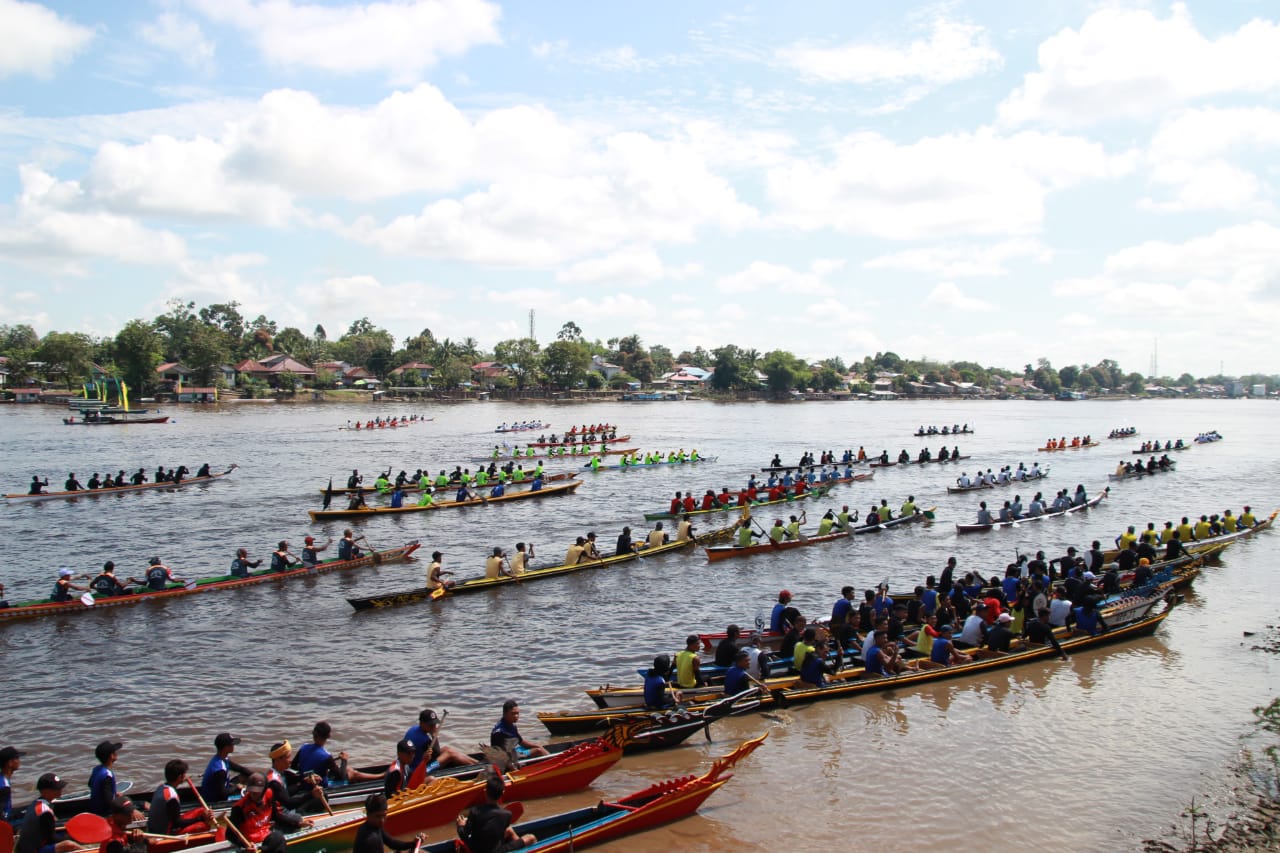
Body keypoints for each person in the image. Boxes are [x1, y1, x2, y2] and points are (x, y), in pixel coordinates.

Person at [229, 772, 310, 853]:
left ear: (264, 790)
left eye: (257, 792)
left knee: (282, 833)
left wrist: (298, 824)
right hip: (251, 844)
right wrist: (245, 846)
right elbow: (230, 835)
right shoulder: (239, 808)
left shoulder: (269, 795)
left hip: (266, 838)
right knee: (278, 837)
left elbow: (276, 816)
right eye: (251, 791)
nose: (253, 794)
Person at [456, 775, 536, 853]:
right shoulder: (507, 814)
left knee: (508, 830)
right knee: (531, 837)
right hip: (496, 851)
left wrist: (460, 825)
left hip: (476, 849)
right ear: (502, 793)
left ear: (485, 791)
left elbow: (464, 835)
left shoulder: (474, 811)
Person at [295, 721, 382, 786]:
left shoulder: (304, 747)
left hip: (305, 781)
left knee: (348, 769)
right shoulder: (326, 756)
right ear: (328, 736)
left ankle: (378, 776)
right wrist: (344, 761)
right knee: (353, 773)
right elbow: (341, 777)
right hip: (320, 786)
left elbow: (294, 766)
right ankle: (380, 777)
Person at [16, 773, 80, 853]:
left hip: (29, 845)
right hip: (34, 850)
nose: (60, 790)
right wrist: (68, 837)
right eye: (57, 788)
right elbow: (51, 839)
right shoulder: (45, 812)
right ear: (46, 791)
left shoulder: (36, 803)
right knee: (69, 844)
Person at [148, 760, 213, 836]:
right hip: (165, 833)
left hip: (157, 826)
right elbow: (177, 823)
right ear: (179, 777)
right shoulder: (171, 797)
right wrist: (201, 818)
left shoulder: (161, 787)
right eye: (184, 774)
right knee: (204, 825)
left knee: (202, 810)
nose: (186, 776)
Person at [403, 709, 476, 773]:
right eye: (430, 725)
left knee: (446, 749)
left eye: (434, 724)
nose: (434, 727)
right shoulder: (422, 739)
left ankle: (476, 764)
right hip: (422, 770)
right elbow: (437, 753)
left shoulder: (414, 728)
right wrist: (434, 734)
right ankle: (476, 766)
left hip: (418, 763)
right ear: (421, 723)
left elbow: (432, 753)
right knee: (450, 754)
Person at [355, 793, 423, 853]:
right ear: (368, 815)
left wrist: (413, 844)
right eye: (378, 816)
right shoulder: (371, 839)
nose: (382, 820)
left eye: (384, 815)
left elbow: (392, 843)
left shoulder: (375, 827)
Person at [265, 741, 323, 812]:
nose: (290, 760)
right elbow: (289, 804)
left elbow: (286, 792)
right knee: (318, 800)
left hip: (286, 810)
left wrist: (304, 783)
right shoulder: (274, 781)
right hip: (283, 815)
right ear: (277, 760)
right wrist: (311, 795)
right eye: (288, 757)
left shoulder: (280, 773)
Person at [201, 732, 251, 802]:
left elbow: (240, 769)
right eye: (231, 744)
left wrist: (257, 775)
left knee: (245, 776)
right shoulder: (220, 770)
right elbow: (222, 794)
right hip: (215, 800)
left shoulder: (221, 758)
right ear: (225, 747)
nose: (233, 746)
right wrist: (237, 787)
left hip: (221, 789)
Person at [88, 740, 124, 816]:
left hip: (94, 808)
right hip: (104, 813)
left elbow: (90, 784)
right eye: (115, 751)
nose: (117, 753)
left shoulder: (96, 769)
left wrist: (113, 793)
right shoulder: (107, 775)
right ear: (111, 756)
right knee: (144, 804)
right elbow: (109, 802)